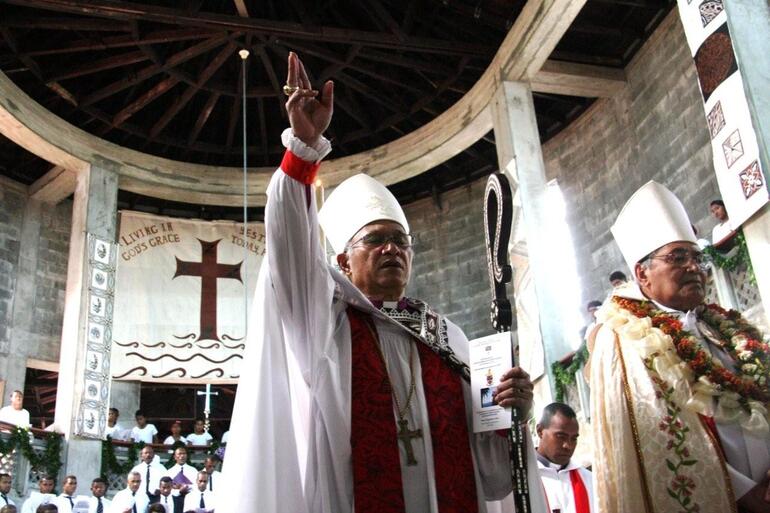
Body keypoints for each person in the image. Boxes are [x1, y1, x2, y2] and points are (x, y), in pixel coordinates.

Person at [219, 51, 547, 513]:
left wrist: (510, 415)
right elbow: (290, 251)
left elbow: (494, 479)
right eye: (374, 240)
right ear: (342, 262)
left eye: (401, 241)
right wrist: (302, 152)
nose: (392, 249)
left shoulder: (446, 338)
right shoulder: (326, 323)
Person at [587, 181, 770, 513]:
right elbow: (653, 437)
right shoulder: (624, 342)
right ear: (642, 274)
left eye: (697, 258)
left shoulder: (724, 329)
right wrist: (744, 494)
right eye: (678, 257)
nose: (693, 267)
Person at [535, 403, 594, 513]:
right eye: (560, 436)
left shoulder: (590, 480)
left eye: (573, 439)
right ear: (540, 431)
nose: (568, 446)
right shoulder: (523, 477)